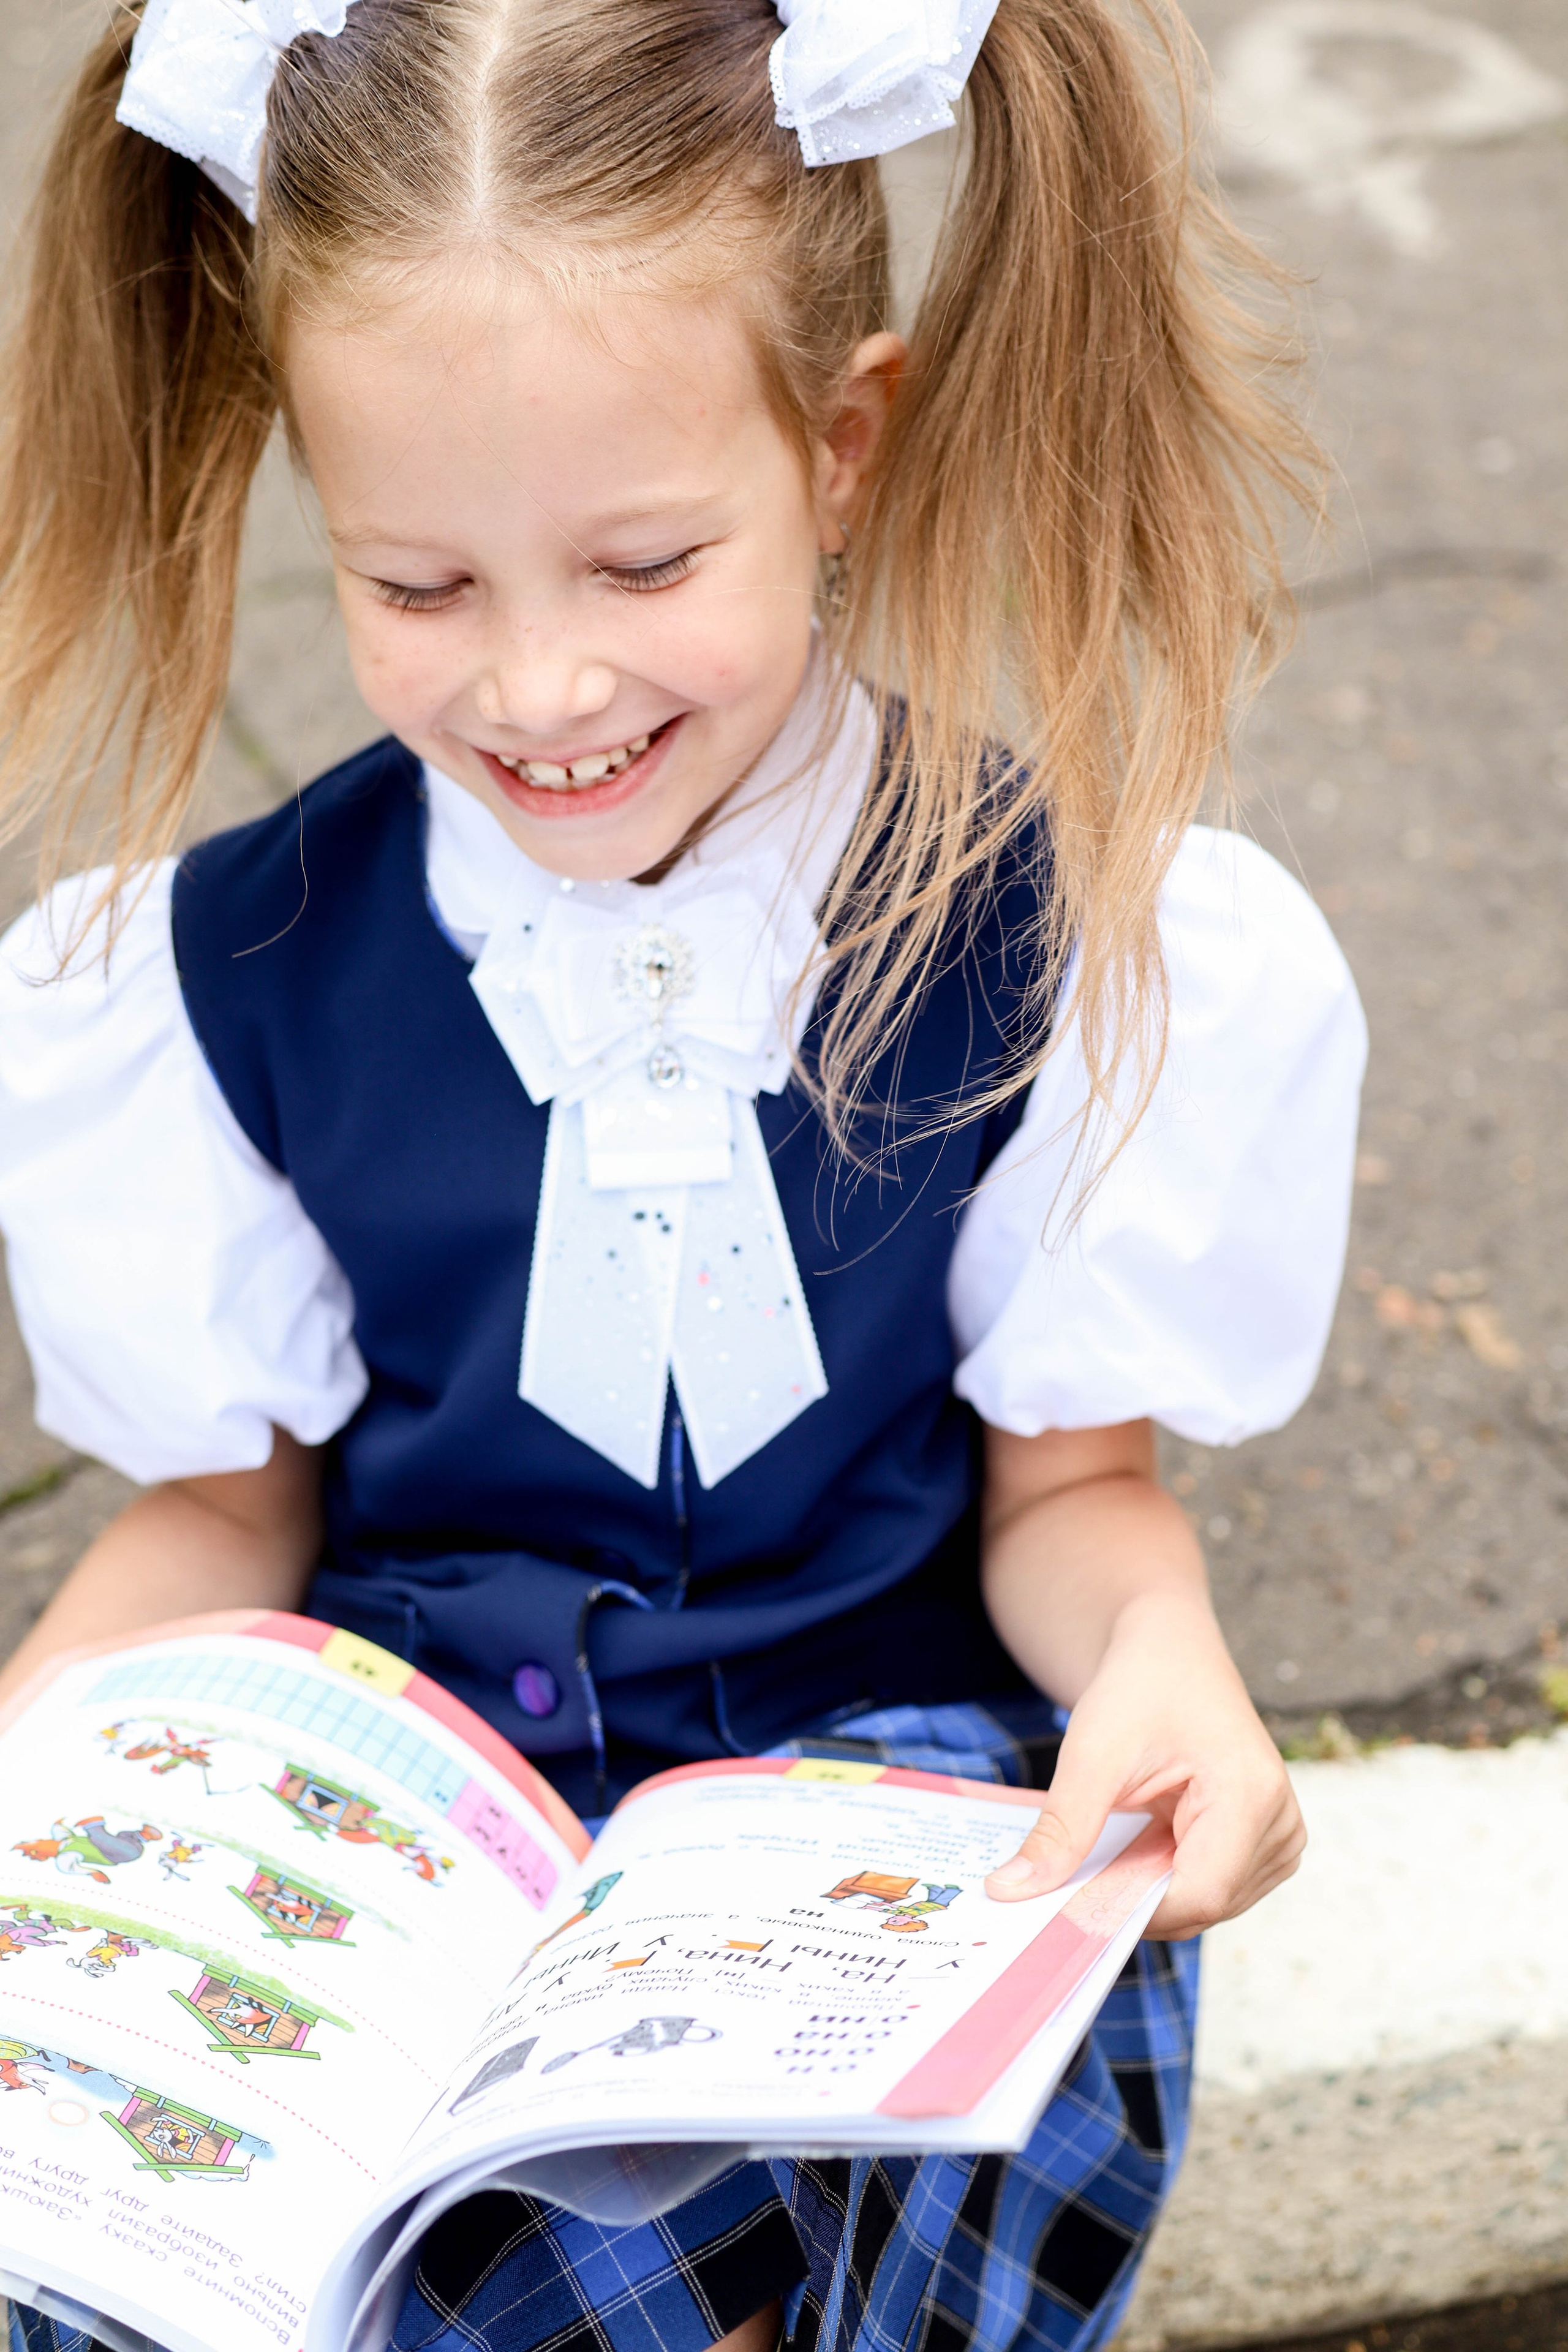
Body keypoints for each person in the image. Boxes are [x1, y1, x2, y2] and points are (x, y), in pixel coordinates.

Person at [0, 0, 1366, 2346]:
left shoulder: (1069, 945)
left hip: (886, 1823)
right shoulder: (218, 972)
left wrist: (1170, 1667)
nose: (537, 687)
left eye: (641, 563)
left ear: (847, 444)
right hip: (422, 1832)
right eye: (418, 586)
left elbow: (1073, 1502)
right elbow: (236, 1517)